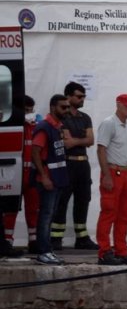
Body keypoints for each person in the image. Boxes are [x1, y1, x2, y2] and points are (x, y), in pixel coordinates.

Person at [50, 81, 98, 251]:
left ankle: (82, 237)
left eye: (83, 96)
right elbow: (66, 143)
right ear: (69, 97)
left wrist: (78, 141)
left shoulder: (85, 117)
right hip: (68, 162)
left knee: (83, 200)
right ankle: (56, 238)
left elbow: (91, 140)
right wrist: (82, 140)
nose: (82, 99)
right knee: (62, 200)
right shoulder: (63, 117)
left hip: (83, 164)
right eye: (79, 96)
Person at [95, 94, 127, 266]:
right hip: (113, 173)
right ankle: (104, 251)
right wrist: (106, 175)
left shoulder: (125, 127)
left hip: (123, 173)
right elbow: (101, 150)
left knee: (123, 214)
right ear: (118, 105)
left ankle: (121, 251)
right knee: (108, 212)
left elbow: (126, 154)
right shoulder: (109, 123)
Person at [30, 94, 71, 265]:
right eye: (63, 107)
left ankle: (47, 250)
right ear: (53, 107)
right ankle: (43, 252)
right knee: (45, 216)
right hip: (48, 179)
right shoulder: (44, 127)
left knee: (51, 214)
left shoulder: (58, 127)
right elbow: (35, 152)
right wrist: (44, 176)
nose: (67, 110)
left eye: (68, 107)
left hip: (58, 177)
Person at [1, 95, 37, 257]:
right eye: (27, 110)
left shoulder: (35, 127)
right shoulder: (14, 126)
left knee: (33, 209)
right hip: (15, 174)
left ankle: (34, 240)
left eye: (31, 110)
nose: (30, 113)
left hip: (31, 176)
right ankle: (7, 240)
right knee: (10, 209)